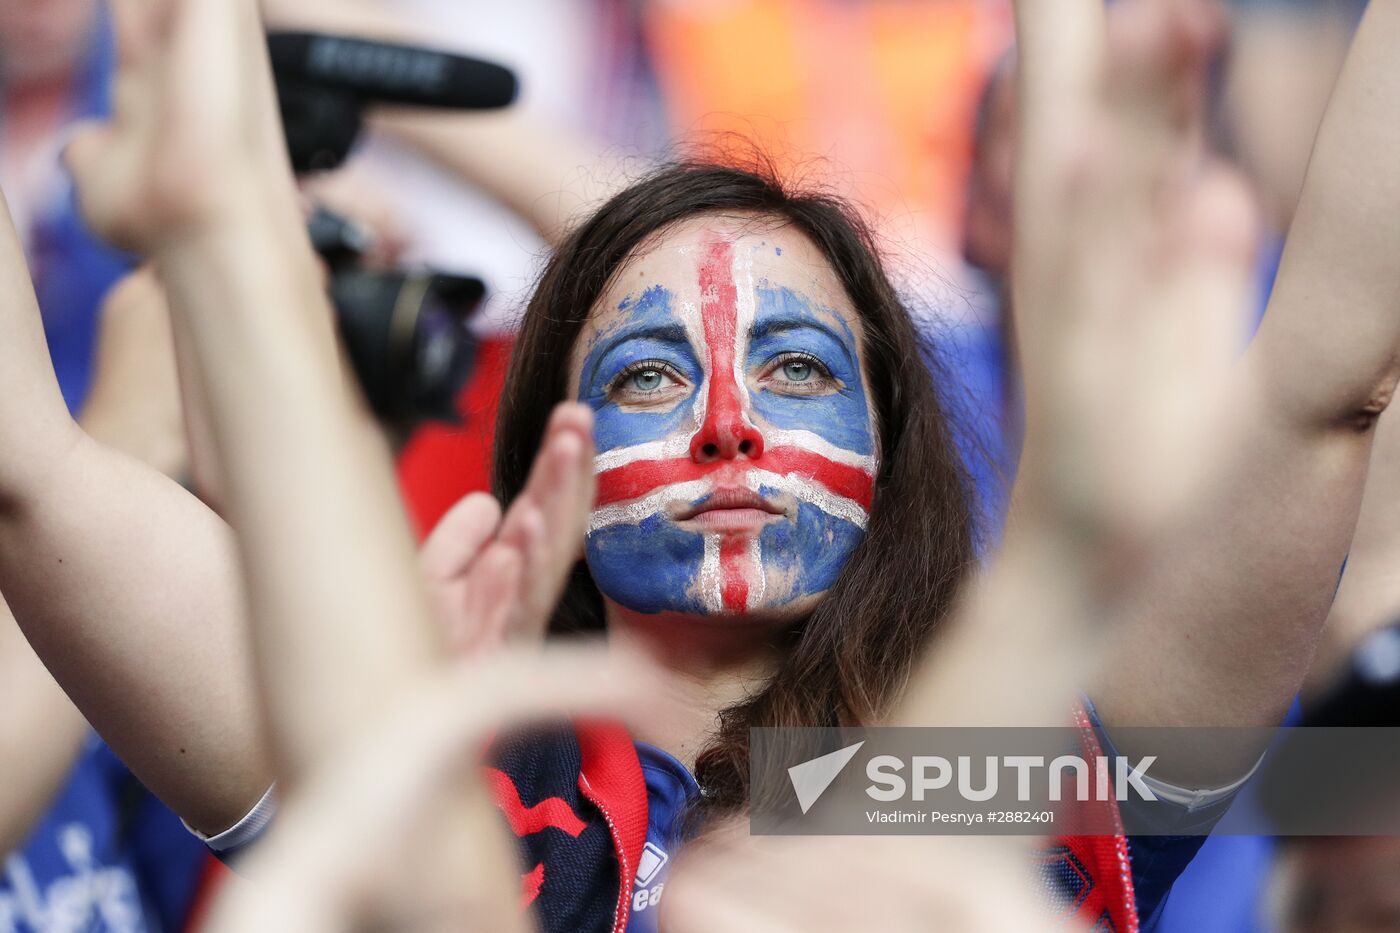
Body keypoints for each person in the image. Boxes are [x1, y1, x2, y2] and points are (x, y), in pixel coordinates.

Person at [5, 0, 1400, 930]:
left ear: (897, 431)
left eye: (796, 366)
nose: (729, 423)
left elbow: (1329, 377)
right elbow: (29, 473)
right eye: (648, 375)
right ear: (549, 443)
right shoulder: (455, 782)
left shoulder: (1000, 777)